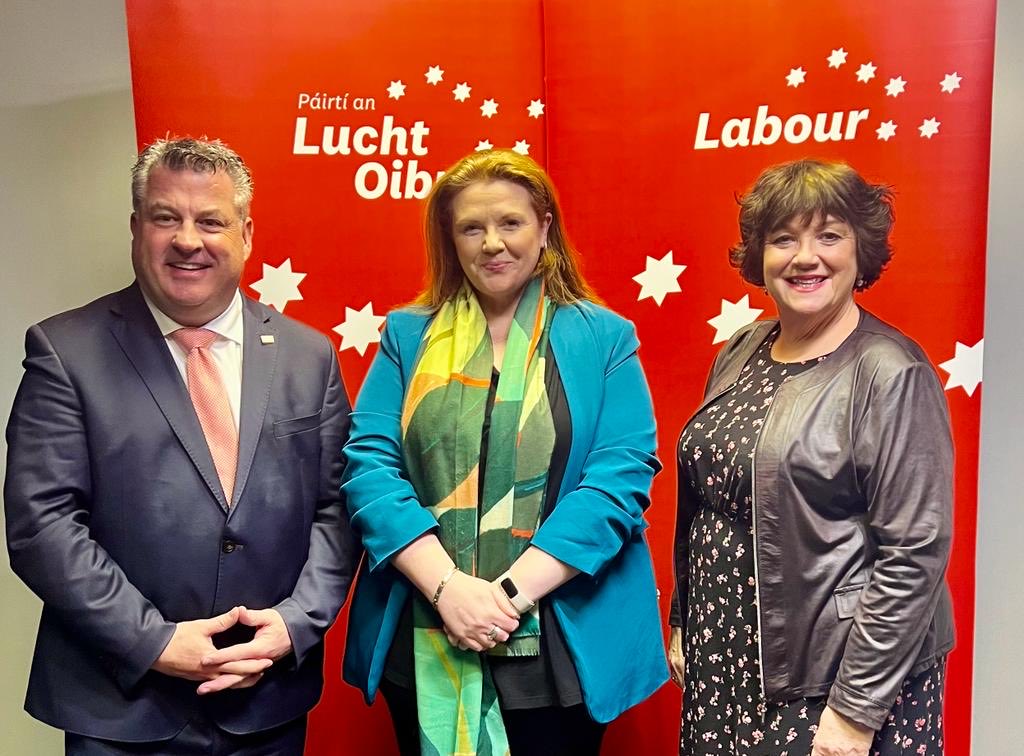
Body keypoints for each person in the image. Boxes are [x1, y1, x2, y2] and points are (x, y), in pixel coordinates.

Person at [4, 137, 357, 755]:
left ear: (245, 233)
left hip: (266, 700)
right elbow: (43, 526)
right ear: (137, 228)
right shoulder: (65, 351)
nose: (188, 240)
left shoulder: (310, 356)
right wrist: (155, 642)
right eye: (167, 217)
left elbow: (338, 508)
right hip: (122, 705)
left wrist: (294, 624)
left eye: (211, 221)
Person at [341, 149, 666, 755]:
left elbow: (619, 479)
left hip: (555, 648)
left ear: (544, 227)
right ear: (451, 238)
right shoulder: (406, 336)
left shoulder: (604, 337)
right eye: (472, 227)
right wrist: (449, 591)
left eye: (510, 223)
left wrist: (504, 598)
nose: (492, 243)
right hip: (425, 631)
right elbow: (369, 469)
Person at [669, 159, 954, 756]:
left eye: (828, 235)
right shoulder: (742, 349)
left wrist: (856, 710)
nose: (805, 257)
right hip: (729, 658)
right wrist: (686, 616)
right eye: (783, 239)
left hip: (833, 676)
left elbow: (914, 554)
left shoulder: (892, 372)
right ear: (760, 256)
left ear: (859, 251)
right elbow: (708, 500)